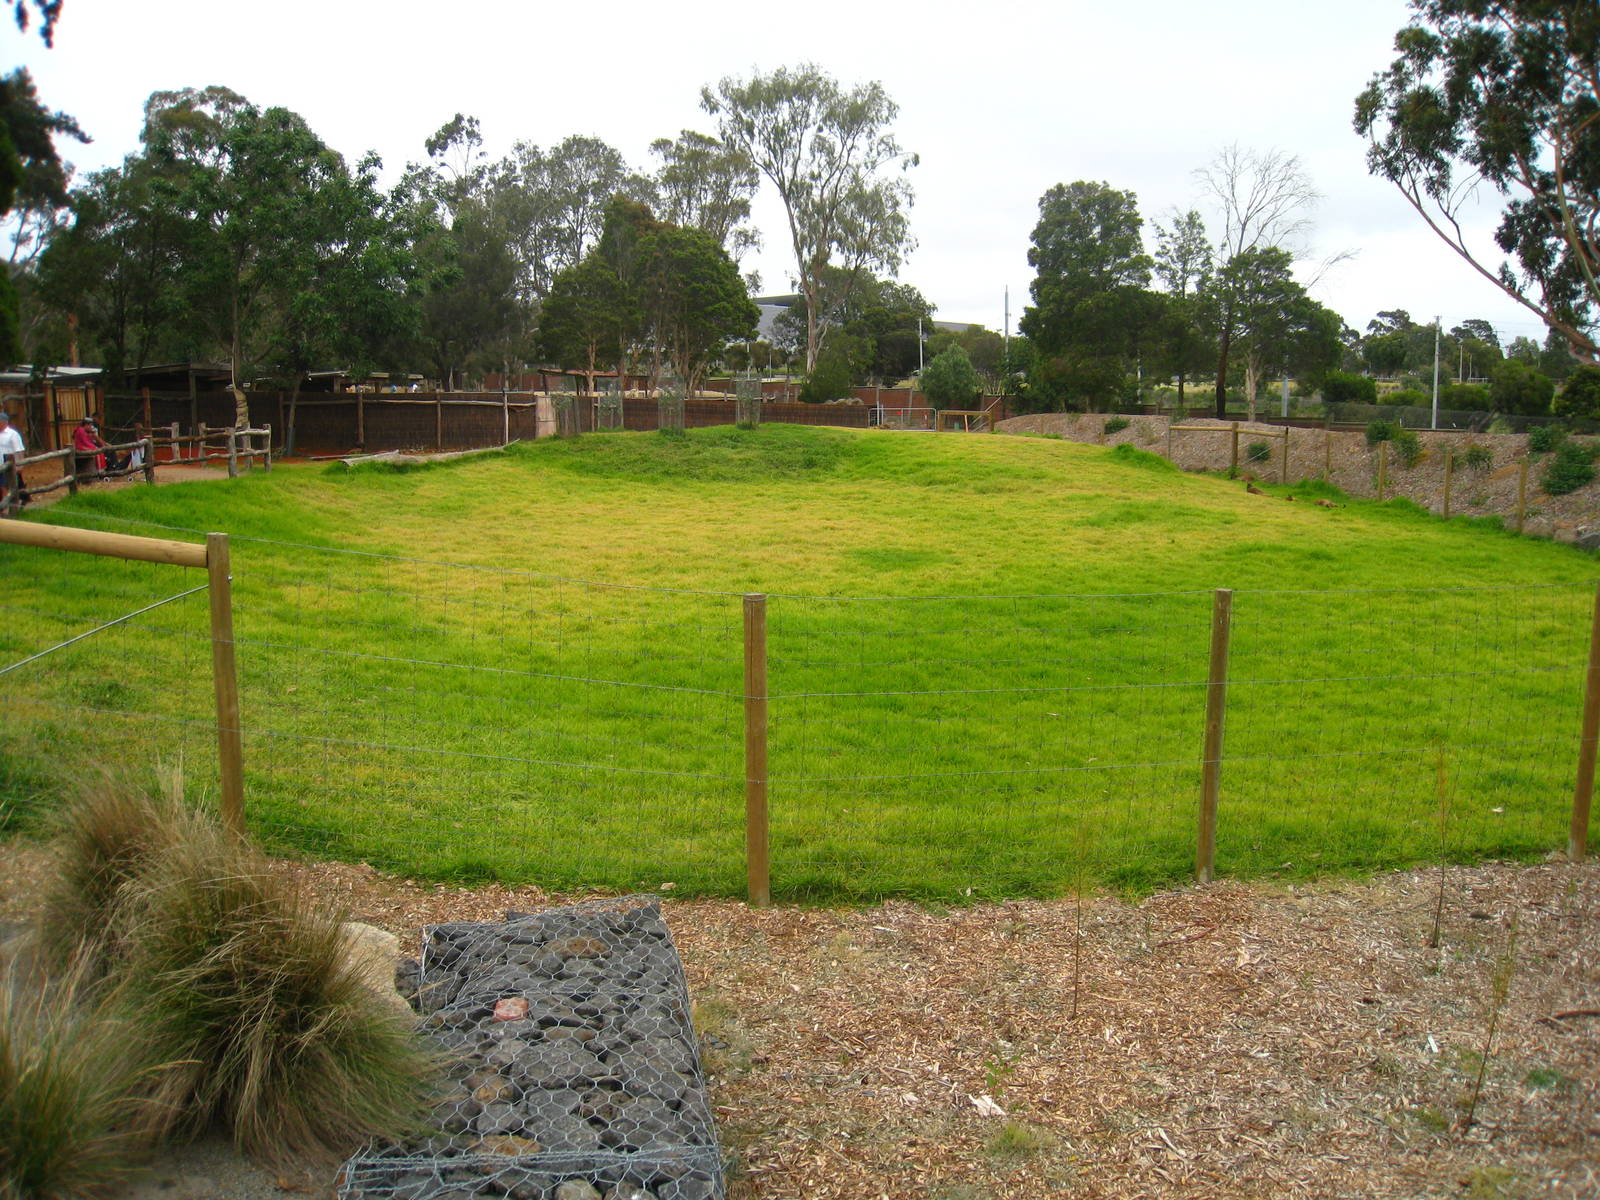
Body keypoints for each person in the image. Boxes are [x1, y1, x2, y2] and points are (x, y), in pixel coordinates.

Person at [0, 410, 27, 509]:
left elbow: (19, 450)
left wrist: (20, 465)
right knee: (4, 485)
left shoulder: (12, 434)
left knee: (5, 485)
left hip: (9, 464)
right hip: (0, 463)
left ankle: (6, 506)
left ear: (4, 422)